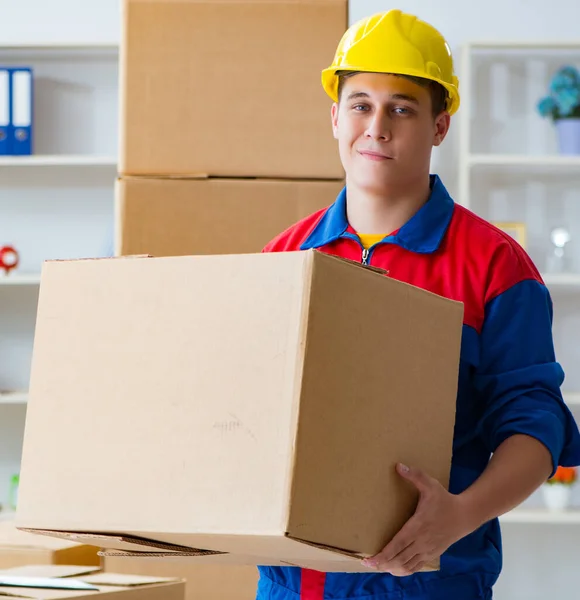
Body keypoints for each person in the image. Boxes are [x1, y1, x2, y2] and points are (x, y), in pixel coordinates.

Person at [256, 9, 580, 600]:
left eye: (401, 108)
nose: (376, 126)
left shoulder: (494, 266)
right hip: (292, 585)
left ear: (439, 126)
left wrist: (459, 515)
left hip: (428, 583)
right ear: (334, 117)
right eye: (360, 104)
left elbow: (536, 425)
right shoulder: (285, 255)